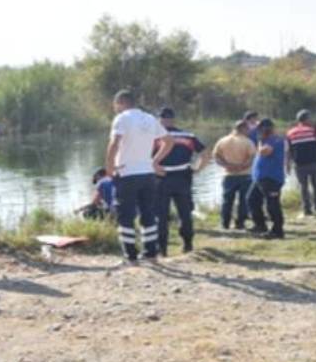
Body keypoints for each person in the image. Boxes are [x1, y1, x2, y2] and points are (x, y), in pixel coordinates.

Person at [105, 90, 172, 262]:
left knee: (125, 216)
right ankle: (151, 253)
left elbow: (114, 144)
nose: (115, 108)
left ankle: (131, 256)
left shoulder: (122, 118)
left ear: (120, 102)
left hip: (127, 173)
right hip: (147, 173)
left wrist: (109, 168)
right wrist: (154, 161)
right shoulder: (150, 118)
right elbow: (169, 141)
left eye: (115, 105)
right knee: (148, 213)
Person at [152, 107, 206, 254]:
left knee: (161, 215)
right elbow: (205, 153)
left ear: (159, 120)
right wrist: (197, 168)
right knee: (185, 212)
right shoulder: (188, 136)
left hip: (161, 177)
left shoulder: (154, 137)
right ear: (173, 119)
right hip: (183, 177)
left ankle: (162, 249)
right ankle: (188, 245)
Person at [212, 120, 257, 230]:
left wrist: (226, 165)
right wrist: (242, 166)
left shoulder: (222, 140)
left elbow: (216, 156)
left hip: (228, 174)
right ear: (243, 129)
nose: (249, 131)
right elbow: (253, 157)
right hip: (245, 174)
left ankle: (225, 223)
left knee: (227, 200)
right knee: (243, 200)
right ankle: (240, 223)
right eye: (248, 129)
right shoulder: (248, 142)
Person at [247, 118, 286, 239]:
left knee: (272, 204)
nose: (259, 132)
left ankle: (277, 231)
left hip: (271, 178)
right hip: (260, 178)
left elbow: (264, 152)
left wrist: (259, 141)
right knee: (251, 199)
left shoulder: (275, 140)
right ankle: (260, 225)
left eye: (260, 130)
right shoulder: (265, 140)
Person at [285, 109, 316, 217]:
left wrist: (287, 165)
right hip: (314, 162)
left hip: (299, 164)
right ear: (307, 119)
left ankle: (307, 209)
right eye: (310, 118)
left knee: (303, 187)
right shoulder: (313, 130)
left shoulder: (290, 132)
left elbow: (288, 150)